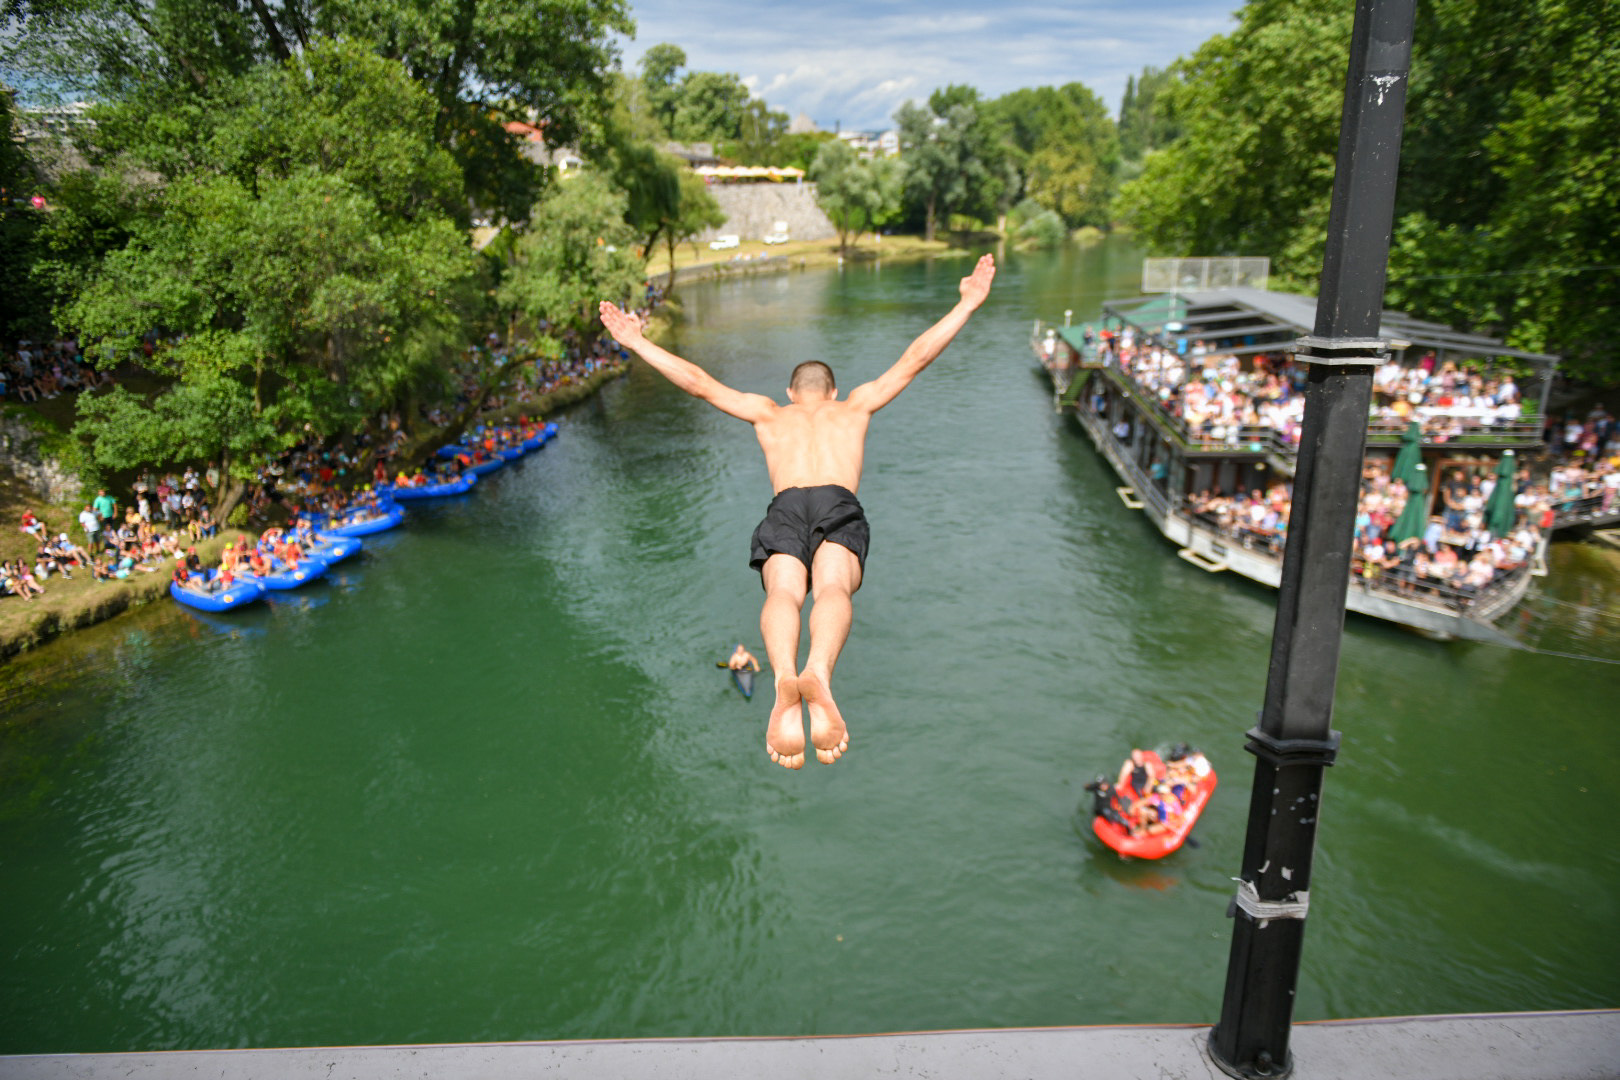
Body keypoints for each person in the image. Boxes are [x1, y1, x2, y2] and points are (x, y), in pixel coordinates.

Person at [599, 253, 998, 769]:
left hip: (785, 506)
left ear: (790, 393)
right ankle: (818, 674)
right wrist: (967, 303)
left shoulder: (768, 413)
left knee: (785, 591)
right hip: (837, 500)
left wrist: (636, 341)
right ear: (831, 391)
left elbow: (698, 381)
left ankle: (785, 676)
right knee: (831, 587)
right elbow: (915, 358)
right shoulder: (854, 406)